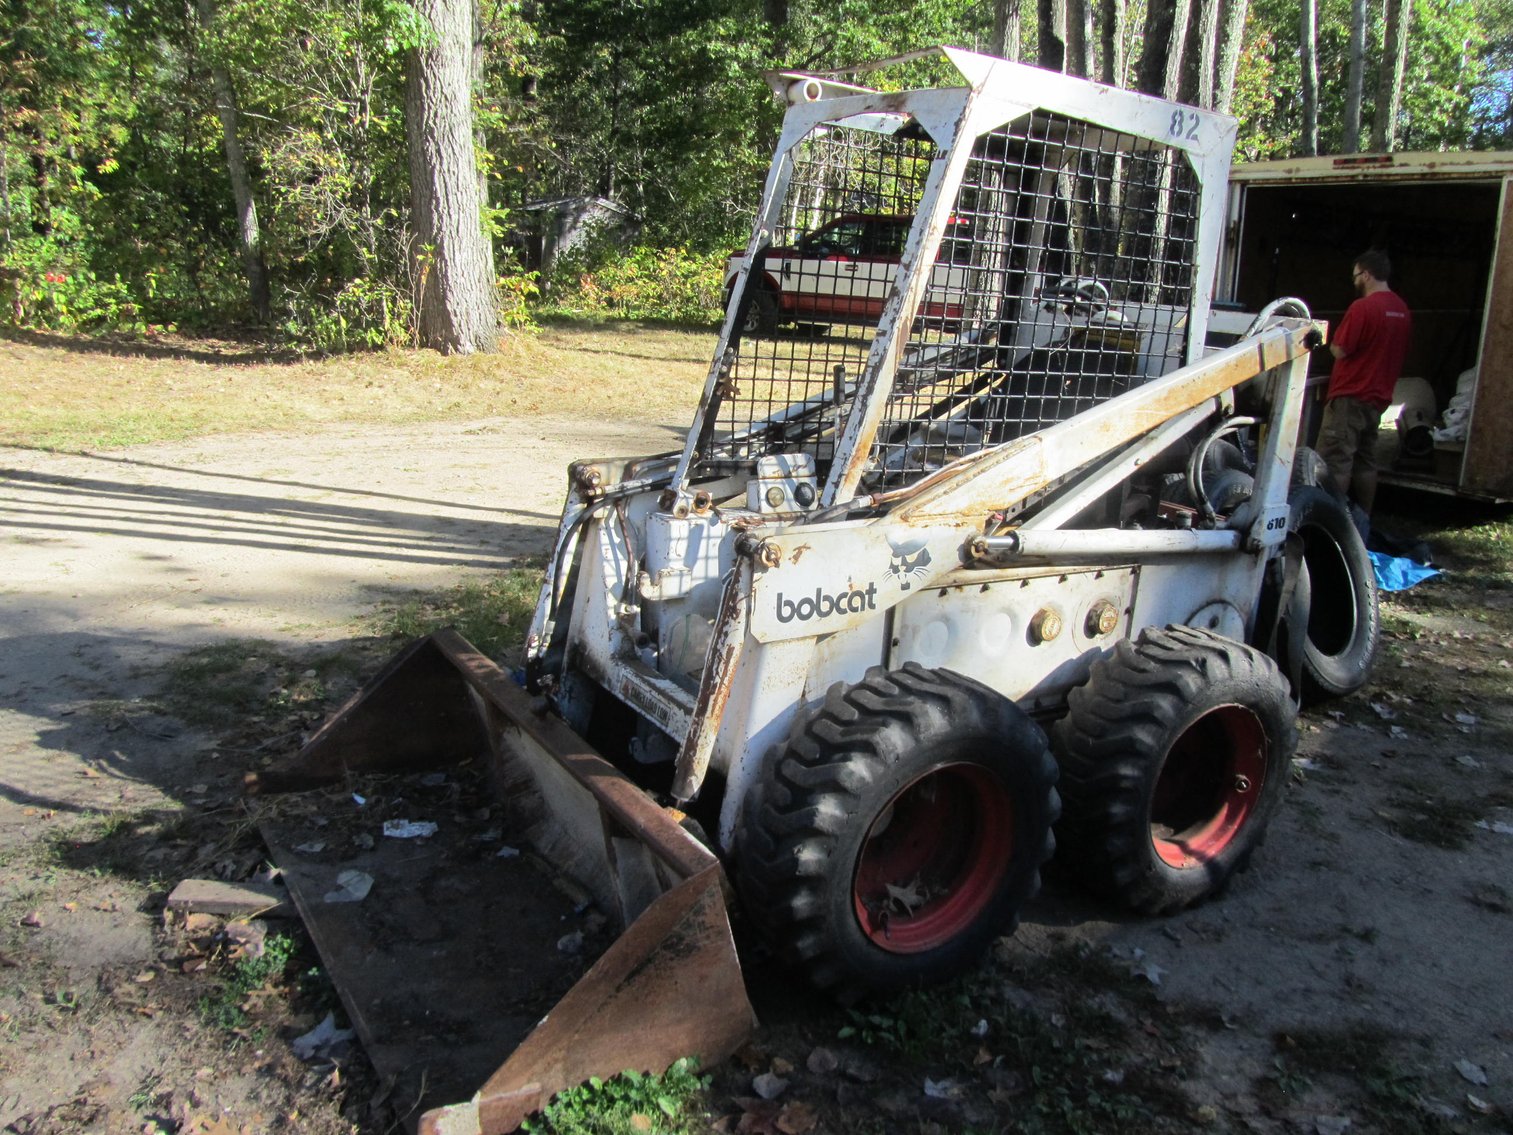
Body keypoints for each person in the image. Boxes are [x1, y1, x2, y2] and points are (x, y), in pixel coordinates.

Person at [1317, 249, 1413, 517]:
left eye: (1356, 276)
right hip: (1378, 397)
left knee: (1337, 460)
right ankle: (1364, 517)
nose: (1355, 281)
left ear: (1367, 275)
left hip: (1350, 395)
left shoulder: (1363, 308)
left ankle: (1333, 520)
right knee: (1366, 460)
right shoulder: (1402, 309)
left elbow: (1340, 349)